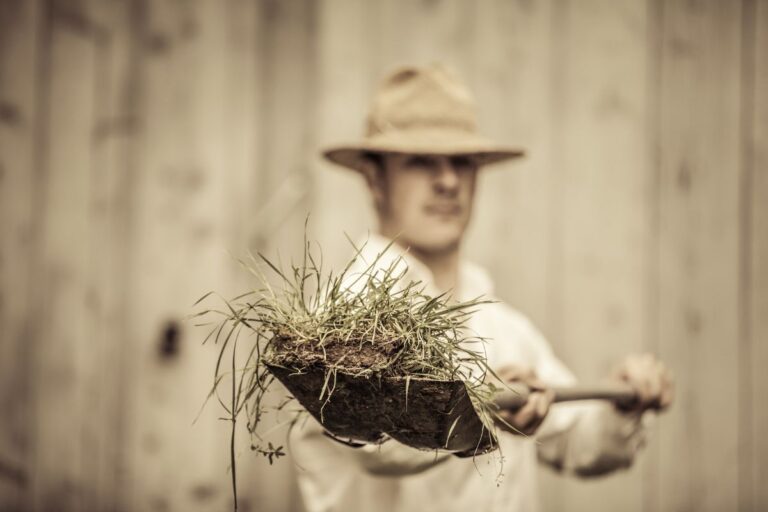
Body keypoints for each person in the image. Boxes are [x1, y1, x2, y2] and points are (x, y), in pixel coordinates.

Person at [289, 64, 673, 512]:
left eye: (461, 162)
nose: (448, 180)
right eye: (420, 161)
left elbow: (573, 442)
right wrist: (480, 406)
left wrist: (622, 406)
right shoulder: (332, 329)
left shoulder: (501, 324)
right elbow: (374, 445)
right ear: (375, 178)